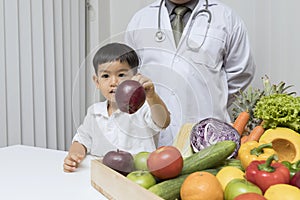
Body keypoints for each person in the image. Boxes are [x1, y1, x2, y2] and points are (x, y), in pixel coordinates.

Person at [124, 0, 256, 146]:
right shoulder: (140, 19)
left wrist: (210, 99)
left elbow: (241, 72)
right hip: (155, 135)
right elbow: (130, 75)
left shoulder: (226, 18)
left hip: (207, 133)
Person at [63, 43, 170, 172]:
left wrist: (152, 96)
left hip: (138, 175)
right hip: (102, 174)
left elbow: (163, 122)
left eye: (121, 75)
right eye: (105, 76)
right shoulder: (94, 112)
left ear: (136, 78)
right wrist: (74, 155)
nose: (114, 82)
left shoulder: (143, 108)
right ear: (97, 82)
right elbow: (82, 139)